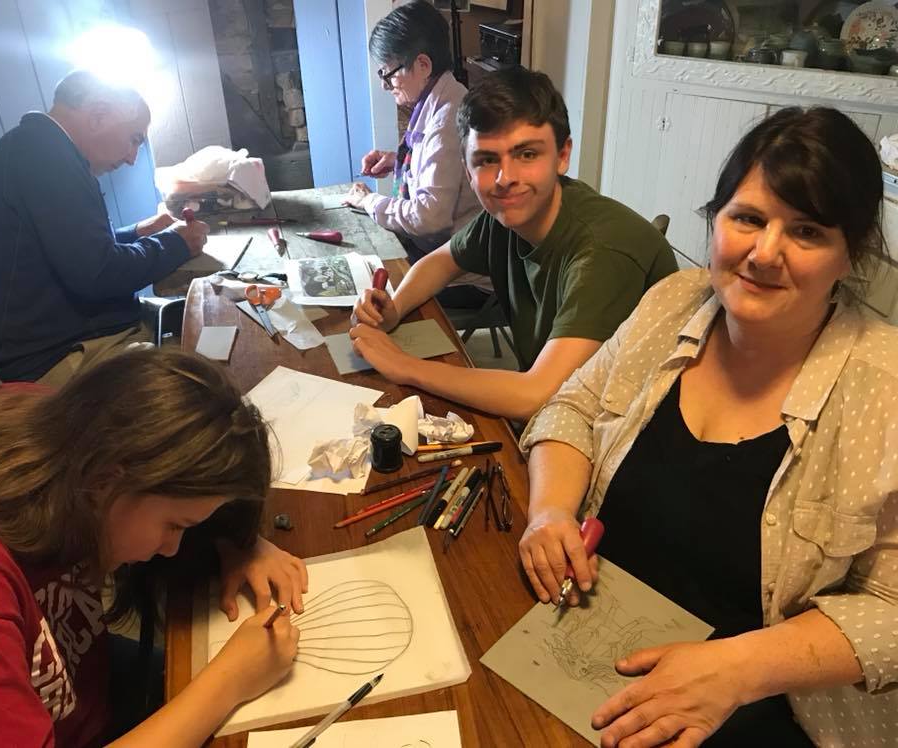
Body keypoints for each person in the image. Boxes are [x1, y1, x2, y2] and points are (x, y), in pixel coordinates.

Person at [518, 107, 898, 746]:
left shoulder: (885, 386)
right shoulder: (676, 299)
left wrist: (737, 669)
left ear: (850, 255)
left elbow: (890, 612)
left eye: (806, 232)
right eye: (748, 218)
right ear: (716, 220)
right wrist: (549, 512)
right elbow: (573, 406)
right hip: (588, 642)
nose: (764, 252)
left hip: (763, 705)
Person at [0, 348, 307, 746]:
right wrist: (230, 682)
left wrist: (238, 540)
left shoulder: (61, 427)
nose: (170, 548)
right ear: (105, 481)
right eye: (175, 525)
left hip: (83, 691)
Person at [351, 67, 677, 421]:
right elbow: (441, 262)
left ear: (563, 155)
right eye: (487, 160)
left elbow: (536, 395)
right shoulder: (506, 217)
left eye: (527, 155)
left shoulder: (600, 252)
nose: (505, 179)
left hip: (625, 426)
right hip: (570, 409)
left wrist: (404, 365)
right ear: (467, 168)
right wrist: (395, 309)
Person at [0, 69, 209, 385]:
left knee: (199, 318)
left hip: (65, 334)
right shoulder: (44, 157)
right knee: (207, 372)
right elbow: (99, 274)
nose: (131, 158)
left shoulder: (37, 146)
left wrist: (137, 232)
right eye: (133, 139)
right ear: (98, 115)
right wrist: (179, 244)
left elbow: (72, 249)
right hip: (53, 358)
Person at [343, 0, 486, 308]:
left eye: (388, 73)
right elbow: (443, 161)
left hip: (458, 272)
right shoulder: (442, 98)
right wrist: (399, 160)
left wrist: (369, 200)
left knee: (362, 290)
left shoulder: (448, 117)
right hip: (440, 250)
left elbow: (428, 218)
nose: (384, 85)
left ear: (423, 65)